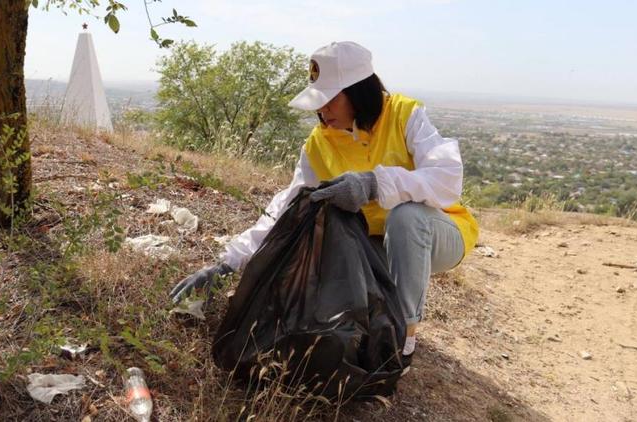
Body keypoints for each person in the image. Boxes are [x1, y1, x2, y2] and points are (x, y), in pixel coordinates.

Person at [170, 41, 479, 375]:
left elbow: (447, 180)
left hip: (437, 233)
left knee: (406, 218)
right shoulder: (320, 142)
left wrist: (374, 184)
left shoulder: (405, 115)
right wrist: (227, 264)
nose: (323, 111)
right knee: (322, 226)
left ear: (359, 91)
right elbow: (286, 208)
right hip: (376, 244)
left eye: (331, 99)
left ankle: (401, 340)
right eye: (318, 101)